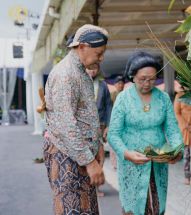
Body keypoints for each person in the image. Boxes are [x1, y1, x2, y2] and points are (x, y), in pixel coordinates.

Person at [107, 51, 183, 215]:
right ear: (133, 76)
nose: (147, 83)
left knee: (156, 206)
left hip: (158, 163)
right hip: (131, 164)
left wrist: (177, 150)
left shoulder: (162, 98)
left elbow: (172, 128)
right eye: (142, 79)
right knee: (133, 208)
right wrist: (126, 153)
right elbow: (113, 134)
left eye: (152, 79)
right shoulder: (123, 99)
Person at [44, 24, 108, 214]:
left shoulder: (79, 71)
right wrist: (89, 162)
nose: (101, 58)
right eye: (99, 53)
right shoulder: (66, 75)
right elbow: (67, 126)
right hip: (68, 157)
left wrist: (97, 145)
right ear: (82, 47)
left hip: (78, 155)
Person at [86, 63, 112, 197]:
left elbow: (108, 106)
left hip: (100, 127)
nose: (92, 71)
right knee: (88, 158)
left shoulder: (103, 86)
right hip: (84, 130)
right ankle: (87, 187)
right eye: (89, 68)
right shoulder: (80, 83)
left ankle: (96, 188)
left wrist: (108, 125)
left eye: (95, 68)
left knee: (100, 157)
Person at [109, 75, 125, 170]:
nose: (120, 85)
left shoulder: (127, 95)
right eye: (118, 83)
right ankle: (115, 164)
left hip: (124, 123)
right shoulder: (112, 95)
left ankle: (122, 162)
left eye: (122, 83)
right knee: (113, 143)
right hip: (113, 122)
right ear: (115, 85)